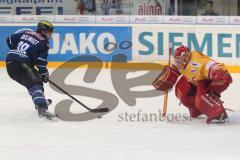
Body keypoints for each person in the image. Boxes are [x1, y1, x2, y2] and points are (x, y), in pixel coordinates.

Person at [153, 45, 232, 124]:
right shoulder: (183, 62)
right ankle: (197, 109)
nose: (178, 63)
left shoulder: (198, 63)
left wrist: (215, 86)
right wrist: (170, 75)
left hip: (205, 81)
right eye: (177, 60)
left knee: (202, 98)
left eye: (180, 60)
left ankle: (219, 114)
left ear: (187, 56)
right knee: (180, 89)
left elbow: (215, 69)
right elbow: (176, 68)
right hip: (193, 81)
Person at [5, 20, 57, 119]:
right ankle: (42, 109)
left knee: (33, 82)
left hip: (10, 63)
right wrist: (44, 74)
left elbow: (9, 39)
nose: (50, 35)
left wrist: (17, 51)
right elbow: (41, 62)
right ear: (43, 31)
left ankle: (39, 100)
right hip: (21, 64)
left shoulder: (26, 33)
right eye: (49, 32)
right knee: (35, 83)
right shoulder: (43, 43)